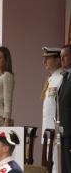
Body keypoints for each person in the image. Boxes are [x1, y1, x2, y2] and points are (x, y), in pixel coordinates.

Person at [41, 47, 62, 173]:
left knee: (56, 164)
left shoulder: (61, 78)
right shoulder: (51, 78)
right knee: (50, 163)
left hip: (56, 129)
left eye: (47, 59)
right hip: (48, 129)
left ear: (58, 60)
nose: (44, 62)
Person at [58, 44, 71, 173]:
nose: (62, 59)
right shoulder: (65, 77)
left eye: (65, 56)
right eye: (61, 57)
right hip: (63, 130)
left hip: (70, 130)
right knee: (65, 166)